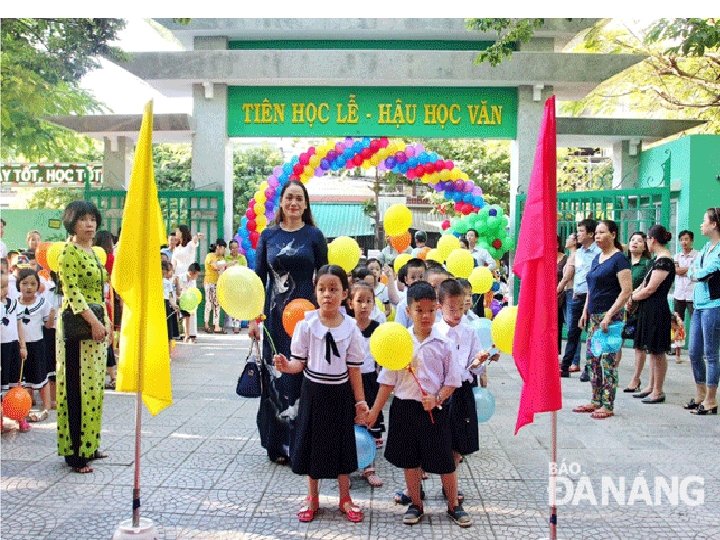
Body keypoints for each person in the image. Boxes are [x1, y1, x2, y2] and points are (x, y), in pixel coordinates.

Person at [367, 281, 469, 527]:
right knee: (410, 460)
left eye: (430, 310)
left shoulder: (443, 343)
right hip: (404, 409)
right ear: (408, 311)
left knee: (445, 460)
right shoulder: (399, 342)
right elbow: (387, 382)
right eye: (419, 310)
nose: (425, 316)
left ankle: (453, 504)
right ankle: (416, 503)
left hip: (435, 410)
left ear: (437, 309)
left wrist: (438, 397)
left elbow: (453, 381)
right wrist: (374, 412)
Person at [273, 265, 367, 523]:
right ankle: (312, 498)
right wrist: (286, 366)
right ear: (315, 292)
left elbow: (354, 369)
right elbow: (298, 363)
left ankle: (345, 498)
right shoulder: (307, 325)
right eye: (322, 289)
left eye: (334, 289)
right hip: (313, 392)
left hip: (340, 394)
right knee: (311, 442)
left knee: (342, 444)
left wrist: (360, 401)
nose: (327, 294)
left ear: (345, 294)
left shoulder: (350, 327)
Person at [249, 180, 328, 464]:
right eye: (289, 198)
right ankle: (278, 444)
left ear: (305, 205)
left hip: (307, 319)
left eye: (299, 199)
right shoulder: (268, 236)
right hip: (274, 320)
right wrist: (253, 319)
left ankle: (302, 443)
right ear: (281, 202)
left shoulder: (314, 235)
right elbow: (258, 280)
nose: (294, 203)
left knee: (303, 375)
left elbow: (325, 276)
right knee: (276, 376)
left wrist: (327, 316)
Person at [56, 201, 112, 473]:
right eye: (82, 219)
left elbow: (100, 293)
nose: (89, 224)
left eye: (92, 219)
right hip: (78, 327)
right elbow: (73, 293)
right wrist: (94, 322)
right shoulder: (68, 252)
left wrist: (107, 324)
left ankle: (90, 445)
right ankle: (76, 454)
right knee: (76, 389)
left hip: (96, 327)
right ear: (72, 223)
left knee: (93, 389)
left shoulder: (93, 252)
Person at [436, 278, 490, 506]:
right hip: (440, 393)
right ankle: (423, 486)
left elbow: (475, 366)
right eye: (451, 308)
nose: (457, 313)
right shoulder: (435, 332)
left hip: (462, 391)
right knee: (439, 440)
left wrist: (480, 361)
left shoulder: (469, 332)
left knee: (459, 443)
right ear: (440, 306)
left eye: (460, 307)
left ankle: (450, 486)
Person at [572, 220, 631, 419]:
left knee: (607, 361)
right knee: (592, 360)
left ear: (613, 234)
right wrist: (585, 311)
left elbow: (626, 291)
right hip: (594, 316)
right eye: (596, 233)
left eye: (602, 232)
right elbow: (591, 288)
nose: (597, 236)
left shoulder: (620, 259)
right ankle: (595, 400)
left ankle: (608, 404)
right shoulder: (598, 258)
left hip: (610, 318)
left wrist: (609, 314)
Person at [629, 225, 675, 404]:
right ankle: (650, 386)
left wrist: (632, 297)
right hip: (648, 309)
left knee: (657, 351)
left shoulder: (665, 261)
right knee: (651, 350)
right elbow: (644, 285)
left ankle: (658, 390)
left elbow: (650, 289)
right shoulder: (656, 260)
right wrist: (633, 295)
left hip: (657, 309)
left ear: (652, 240)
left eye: (646, 239)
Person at [348, 280, 385, 488]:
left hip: (370, 380)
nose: (364, 305)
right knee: (349, 422)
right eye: (359, 300)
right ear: (350, 303)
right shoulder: (346, 327)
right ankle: (346, 467)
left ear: (374, 303)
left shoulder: (378, 329)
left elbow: (382, 357)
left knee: (369, 421)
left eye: (368, 301)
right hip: (349, 381)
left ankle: (369, 466)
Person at [685, 207, 720, 415]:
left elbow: (706, 272)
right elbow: (693, 270)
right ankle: (700, 394)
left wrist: (697, 273)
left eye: (704, 220)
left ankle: (711, 399)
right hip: (698, 305)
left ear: (714, 224)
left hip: (713, 306)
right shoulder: (706, 247)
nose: (701, 224)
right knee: (693, 352)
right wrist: (696, 273)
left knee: (711, 354)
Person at [560, 219, 601, 379]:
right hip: (577, 297)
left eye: (581, 231)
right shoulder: (578, 253)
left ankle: (589, 368)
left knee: (592, 333)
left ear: (590, 234)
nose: (578, 234)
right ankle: (565, 366)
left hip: (593, 297)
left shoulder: (598, 252)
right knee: (572, 332)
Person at [14, 268, 54, 421]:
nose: (29, 287)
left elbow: (48, 325)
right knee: (23, 378)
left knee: (41, 376)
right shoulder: (13, 303)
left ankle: (46, 406)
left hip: (37, 344)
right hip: (20, 346)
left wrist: (52, 315)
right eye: (24, 283)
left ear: (38, 285)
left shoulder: (42, 303)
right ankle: (24, 406)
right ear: (18, 285)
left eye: (32, 284)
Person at [623, 232, 652, 393]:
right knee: (616, 342)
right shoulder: (623, 262)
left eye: (639, 241)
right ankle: (612, 374)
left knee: (639, 345)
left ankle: (636, 378)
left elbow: (647, 285)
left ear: (645, 246)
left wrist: (633, 297)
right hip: (620, 307)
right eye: (632, 240)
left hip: (639, 308)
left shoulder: (647, 264)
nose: (635, 243)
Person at [0, 272, 29, 432]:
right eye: (1, 287)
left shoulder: (13, 304)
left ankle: (20, 416)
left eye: (5, 286)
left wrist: (22, 346)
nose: (4, 290)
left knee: (16, 384)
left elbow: (19, 325)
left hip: (13, 346)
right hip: (1, 348)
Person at [94, 230, 116, 389]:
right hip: (108, 299)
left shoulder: (92, 256)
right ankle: (112, 375)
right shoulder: (111, 258)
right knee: (107, 337)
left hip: (94, 299)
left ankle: (103, 375)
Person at [557, 233, 577, 365]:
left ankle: (574, 360)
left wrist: (559, 288)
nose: (567, 239)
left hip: (567, 292)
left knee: (572, 327)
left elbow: (567, 276)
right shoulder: (571, 255)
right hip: (563, 292)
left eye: (570, 237)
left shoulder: (572, 256)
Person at [674, 230, 698, 324]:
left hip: (692, 294)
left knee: (695, 321)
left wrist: (682, 270)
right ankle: (679, 335)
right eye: (681, 240)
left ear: (691, 241)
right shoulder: (677, 256)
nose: (684, 242)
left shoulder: (698, 255)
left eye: (686, 239)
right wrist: (690, 268)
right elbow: (676, 271)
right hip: (679, 294)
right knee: (677, 322)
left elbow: (697, 271)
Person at [203, 239, 227, 334]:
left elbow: (222, 270)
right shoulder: (210, 256)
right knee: (209, 303)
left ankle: (216, 326)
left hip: (218, 283)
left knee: (217, 304)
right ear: (218, 247)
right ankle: (206, 324)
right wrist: (229, 264)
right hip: (209, 282)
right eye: (223, 248)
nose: (224, 251)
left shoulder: (221, 258)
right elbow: (215, 266)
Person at [225, 239, 248, 333]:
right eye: (232, 248)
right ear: (230, 249)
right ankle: (234, 322)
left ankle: (237, 324)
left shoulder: (242, 258)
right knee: (232, 303)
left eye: (236, 247)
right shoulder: (226, 258)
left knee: (239, 303)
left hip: (240, 283)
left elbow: (245, 269)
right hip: (230, 283)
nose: (235, 249)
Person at [178, 262, 201, 343]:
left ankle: (187, 335)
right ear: (192, 273)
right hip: (177, 300)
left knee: (188, 315)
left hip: (185, 302)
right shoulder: (180, 278)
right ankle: (185, 335)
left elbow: (192, 292)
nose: (197, 277)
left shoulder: (192, 281)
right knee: (185, 316)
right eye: (197, 275)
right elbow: (177, 292)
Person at [162, 260, 181, 350]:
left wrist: (174, 305)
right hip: (159, 303)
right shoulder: (155, 281)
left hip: (165, 303)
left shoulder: (168, 283)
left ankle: (168, 351)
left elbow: (170, 296)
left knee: (168, 328)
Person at [556, 235, 569, 354]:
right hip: (546, 295)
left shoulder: (565, 258)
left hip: (560, 295)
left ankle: (556, 351)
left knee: (558, 323)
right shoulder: (546, 258)